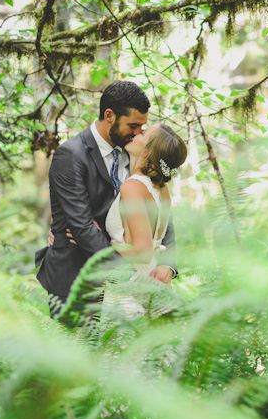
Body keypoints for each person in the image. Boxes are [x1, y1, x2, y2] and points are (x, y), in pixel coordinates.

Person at [35, 81, 177, 320]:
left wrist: (168, 265)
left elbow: (160, 216)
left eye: (142, 127)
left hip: (133, 281)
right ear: (109, 116)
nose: (138, 132)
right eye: (133, 125)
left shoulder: (136, 154)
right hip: (79, 277)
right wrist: (127, 275)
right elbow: (81, 227)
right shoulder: (71, 155)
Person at [103, 124, 187, 317]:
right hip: (154, 279)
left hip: (132, 286)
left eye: (143, 133)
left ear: (147, 152)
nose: (136, 132)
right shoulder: (162, 189)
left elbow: (143, 251)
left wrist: (107, 248)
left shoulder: (132, 187)